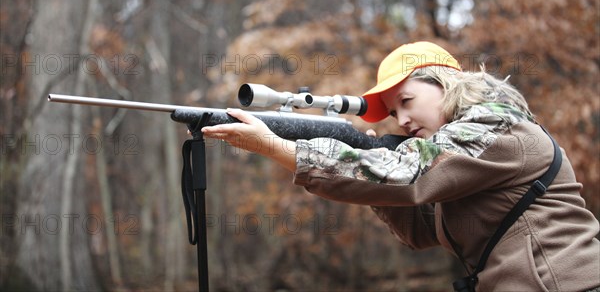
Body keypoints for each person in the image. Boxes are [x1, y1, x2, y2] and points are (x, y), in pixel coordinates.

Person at [201, 41, 600, 291]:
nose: (402, 121)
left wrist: (277, 148)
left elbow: (411, 176)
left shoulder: (496, 124)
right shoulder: (454, 159)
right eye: (393, 113)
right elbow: (421, 230)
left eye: (406, 102)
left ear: (445, 83)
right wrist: (366, 157)